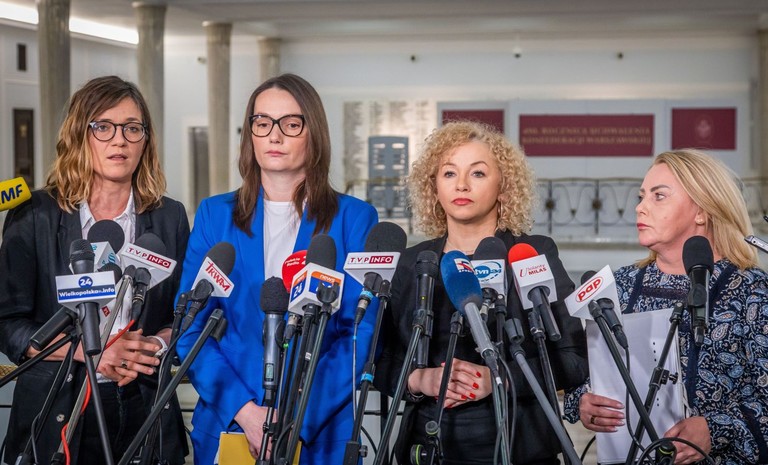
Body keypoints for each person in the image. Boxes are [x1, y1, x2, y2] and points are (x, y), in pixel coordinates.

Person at [175, 73, 378, 465]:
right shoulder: (215, 216)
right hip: (229, 425)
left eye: (291, 124)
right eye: (262, 122)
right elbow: (189, 329)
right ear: (250, 133)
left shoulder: (354, 219)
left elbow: (361, 332)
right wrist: (246, 412)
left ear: (314, 132)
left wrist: (295, 418)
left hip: (317, 434)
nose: (275, 135)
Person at [374, 121, 589, 465]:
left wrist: (497, 378)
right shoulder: (413, 263)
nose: (461, 184)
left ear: (503, 186)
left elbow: (574, 359)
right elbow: (379, 361)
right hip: (427, 448)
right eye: (449, 173)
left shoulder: (532, 254)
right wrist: (419, 378)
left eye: (477, 173)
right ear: (433, 187)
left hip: (522, 448)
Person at [0, 75, 189, 464]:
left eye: (132, 128)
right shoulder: (33, 214)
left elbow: (183, 313)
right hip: (57, 410)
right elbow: (8, 324)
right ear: (78, 135)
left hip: (144, 405)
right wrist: (89, 353)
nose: (119, 140)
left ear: (145, 140)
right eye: (103, 127)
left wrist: (156, 345)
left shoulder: (169, 216)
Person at [564, 149, 768, 464]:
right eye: (641, 196)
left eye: (659, 196)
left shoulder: (752, 289)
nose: (640, 207)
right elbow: (580, 374)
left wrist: (716, 429)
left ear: (701, 211)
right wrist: (583, 403)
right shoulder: (617, 286)